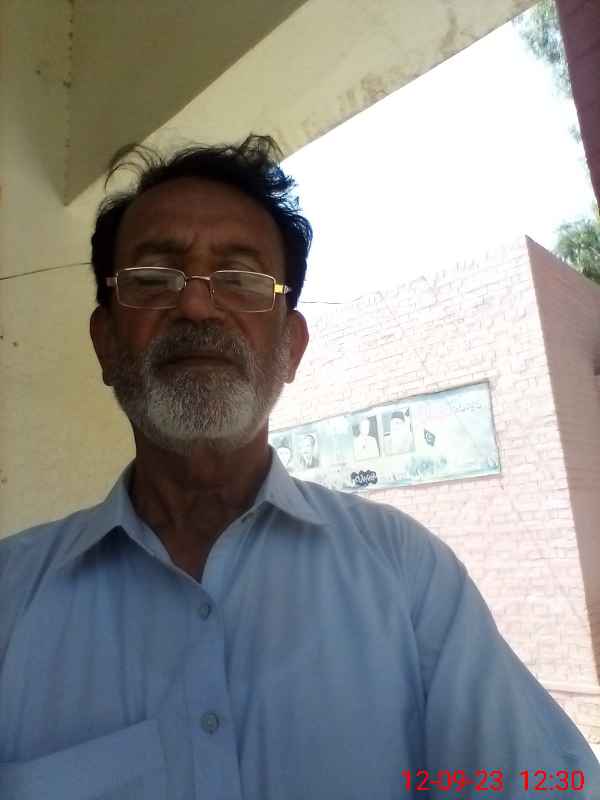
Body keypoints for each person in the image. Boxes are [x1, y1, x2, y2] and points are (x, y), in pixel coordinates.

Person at [0, 135, 597, 800]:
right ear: (106, 342)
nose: (196, 305)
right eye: (154, 278)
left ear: (291, 348)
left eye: (240, 279)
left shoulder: (406, 576)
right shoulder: (11, 596)